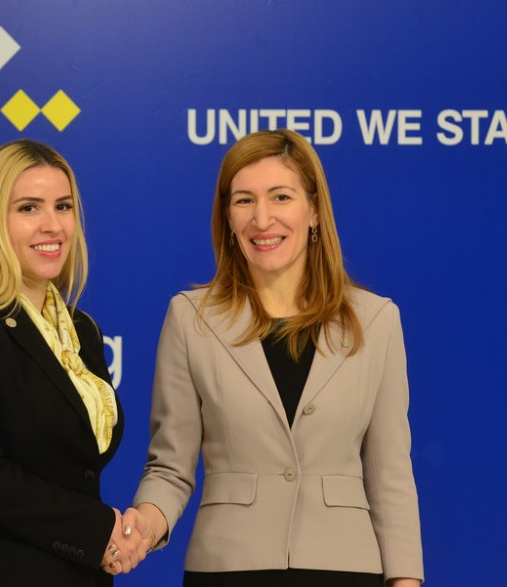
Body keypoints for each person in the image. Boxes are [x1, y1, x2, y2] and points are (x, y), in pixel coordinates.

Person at [132, 129, 424, 586]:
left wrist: (405, 579)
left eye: (281, 197)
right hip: (227, 568)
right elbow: (170, 467)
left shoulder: (377, 320)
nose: (262, 219)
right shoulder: (190, 319)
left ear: (314, 210)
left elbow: (390, 474)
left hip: (345, 569)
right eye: (244, 200)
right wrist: (143, 528)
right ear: (227, 217)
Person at [0, 140, 149, 586]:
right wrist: (97, 530)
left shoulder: (81, 331)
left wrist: (109, 536)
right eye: (28, 208)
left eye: (63, 206)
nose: (52, 225)